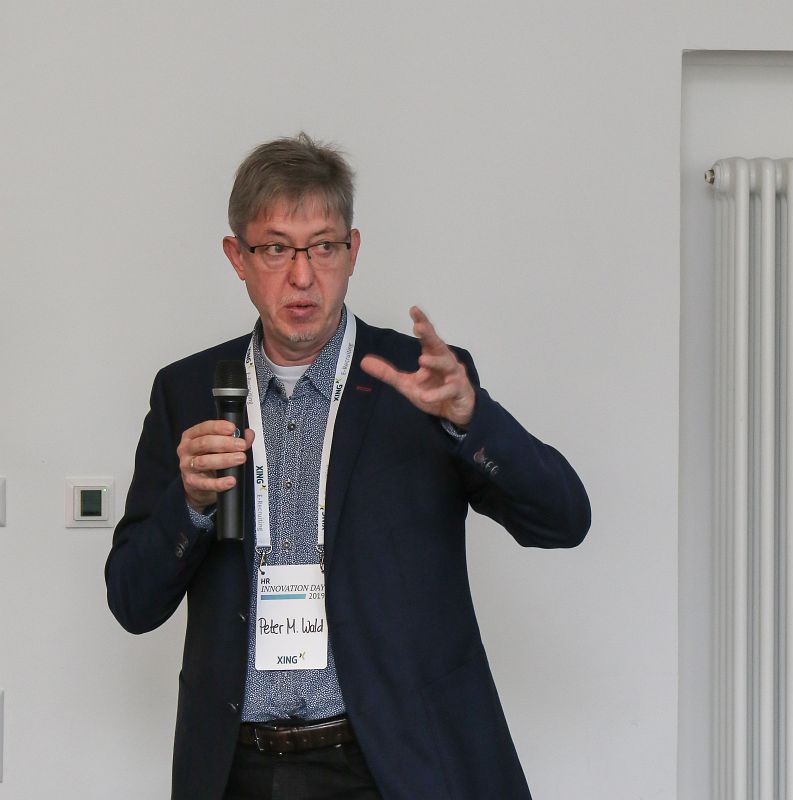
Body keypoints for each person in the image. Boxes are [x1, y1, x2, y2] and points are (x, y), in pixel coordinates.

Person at [105, 133, 591, 800]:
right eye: (276, 249)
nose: (302, 276)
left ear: (353, 251)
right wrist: (187, 505)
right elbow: (132, 602)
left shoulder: (420, 382)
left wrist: (471, 419)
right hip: (236, 770)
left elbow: (564, 521)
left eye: (323, 247)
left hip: (392, 765)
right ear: (237, 257)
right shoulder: (186, 391)